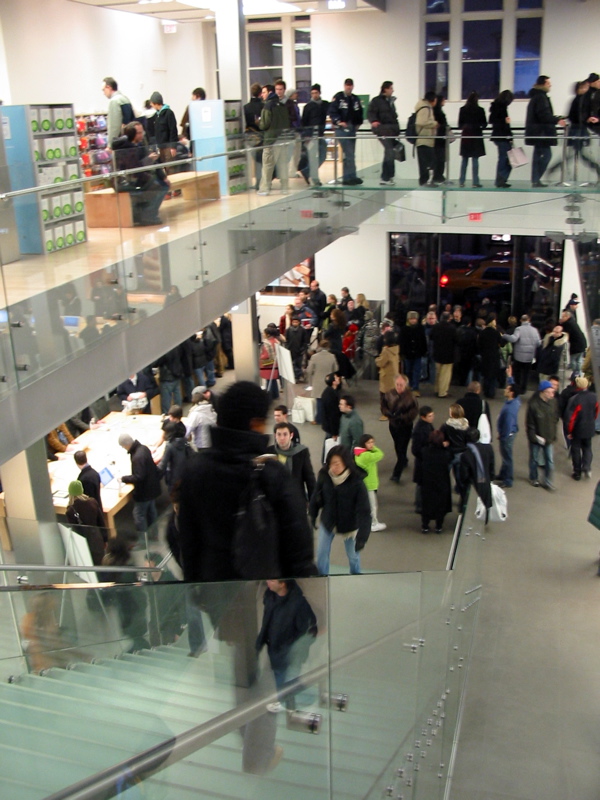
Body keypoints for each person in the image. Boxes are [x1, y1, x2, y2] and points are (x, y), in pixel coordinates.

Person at [178, 381, 317, 582]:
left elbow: (188, 542)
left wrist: (194, 587)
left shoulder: (194, 470)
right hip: (265, 588)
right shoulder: (273, 474)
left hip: (215, 587)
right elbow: (298, 547)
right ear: (255, 423)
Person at [256, 579, 317, 713]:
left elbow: (310, 630)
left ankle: (290, 707)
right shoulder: (270, 596)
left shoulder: (299, 604)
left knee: (287, 680)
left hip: (289, 654)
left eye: (272, 580)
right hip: (275, 650)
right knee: (281, 678)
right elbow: (267, 621)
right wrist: (260, 642)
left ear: (282, 584)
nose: (268, 582)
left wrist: (293, 650)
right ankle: (287, 703)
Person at [310, 445, 371, 575]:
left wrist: (362, 538)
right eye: (331, 463)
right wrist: (313, 515)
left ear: (346, 463)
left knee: (353, 556)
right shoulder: (324, 476)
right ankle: (322, 579)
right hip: (328, 521)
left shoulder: (357, 483)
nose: (333, 467)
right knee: (321, 554)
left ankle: (356, 575)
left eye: (337, 463)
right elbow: (316, 495)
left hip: (349, 525)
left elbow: (364, 511)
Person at [111, 121, 169, 226]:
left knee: (162, 183)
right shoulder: (125, 148)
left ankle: (145, 214)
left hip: (136, 178)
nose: (142, 135)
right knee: (159, 186)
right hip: (125, 182)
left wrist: (163, 177)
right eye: (139, 133)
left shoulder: (139, 145)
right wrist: (148, 160)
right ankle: (148, 215)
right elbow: (133, 169)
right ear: (132, 134)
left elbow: (151, 164)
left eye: (142, 132)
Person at [525, 75, 567, 187]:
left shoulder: (536, 97)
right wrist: (557, 120)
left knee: (538, 156)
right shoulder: (541, 97)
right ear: (543, 84)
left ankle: (535, 180)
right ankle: (536, 179)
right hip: (541, 133)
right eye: (548, 83)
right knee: (546, 155)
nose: (550, 85)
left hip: (536, 132)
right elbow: (544, 115)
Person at [118, 433, 162, 535]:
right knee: (152, 511)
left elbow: (139, 476)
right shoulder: (143, 448)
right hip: (153, 487)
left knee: (139, 514)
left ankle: (143, 539)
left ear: (125, 445)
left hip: (144, 492)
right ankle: (154, 534)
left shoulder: (137, 457)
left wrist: (124, 478)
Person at [381, 374, 419, 483]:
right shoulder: (389, 394)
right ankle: (403, 459)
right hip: (393, 426)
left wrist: (401, 417)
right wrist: (388, 413)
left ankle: (397, 473)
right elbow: (383, 406)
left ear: (406, 385)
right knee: (397, 445)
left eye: (401, 385)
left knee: (401, 448)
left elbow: (413, 412)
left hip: (405, 426)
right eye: (397, 384)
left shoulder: (411, 397)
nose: (399, 387)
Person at [267, 422, 316, 502]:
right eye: (279, 434)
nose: (282, 438)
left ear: (291, 435)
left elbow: (309, 477)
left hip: (295, 497)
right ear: (275, 436)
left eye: (285, 434)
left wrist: (312, 501)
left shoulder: (301, 452)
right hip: (276, 499)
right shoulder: (269, 452)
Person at [258, 80, 291, 196]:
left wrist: (259, 122)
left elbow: (265, 124)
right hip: (283, 140)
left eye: (264, 92)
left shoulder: (268, 106)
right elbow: (287, 123)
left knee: (267, 166)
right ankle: (285, 187)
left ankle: (264, 189)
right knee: (283, 165)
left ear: (269, 92)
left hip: (270, 141)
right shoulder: (282, 106)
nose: (262, 95)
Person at [328, 78, 364, 186]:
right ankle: (349, 177)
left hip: (352, 129)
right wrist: (339, 122)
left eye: (351, 85)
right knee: (348, 153)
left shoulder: (355, 99)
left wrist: (358, 124)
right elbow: (332, 111)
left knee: (350, 153)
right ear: (344, 86)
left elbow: (360, 112)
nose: (349, 87)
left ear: (353, 86)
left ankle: (350, 176)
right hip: (341, 130)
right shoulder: (338, 97)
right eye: (347, 85)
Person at [526, 379, 558, 490]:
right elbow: (530, 424)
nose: (552, 394)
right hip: (537, 438)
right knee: (534, 459)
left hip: (549, 438)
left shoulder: (553, 402)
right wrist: (534, 437)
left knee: (550, 460)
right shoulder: (533, 405)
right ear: (542, 392)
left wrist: (553, 435)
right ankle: (533, 478)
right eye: (549, 392)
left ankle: (548, 482)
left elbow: (555, 419)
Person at [65, 480, 106, 565]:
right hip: (96, 537)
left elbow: (74, 530)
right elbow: (101, 522)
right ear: (81, 490)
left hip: (83, 542)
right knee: (100, 562)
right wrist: (105, 539)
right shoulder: (92, 502)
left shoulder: (70, 510)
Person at [368, 80, 401, 186]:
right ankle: (386, 177)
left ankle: (388, 176)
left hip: (390, 130)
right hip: (383, 130)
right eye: (391, 88)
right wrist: (374, 121)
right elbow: (371, 112)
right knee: (389, 151)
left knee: (390, 152)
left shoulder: (390, 102)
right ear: (385, 89)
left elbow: (393, 116)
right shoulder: (377, 101)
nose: (393, 90)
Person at [565, 376, 598, 480]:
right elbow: (596, 412)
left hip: (578, 429)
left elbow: (572, 418)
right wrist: (592, 420)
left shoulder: (576, 399)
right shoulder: (594, 397)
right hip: (590, 427)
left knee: (576, 449)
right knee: (587, 448)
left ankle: (577, 472)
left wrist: (569, 431)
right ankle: (587, 467)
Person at [420, 430, 452, 533]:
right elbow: (449, 458)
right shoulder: (445, 454)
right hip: (441, 482)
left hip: (427, 482)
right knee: (441, 504)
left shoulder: (425, 452)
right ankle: (439, 526)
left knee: (427, 503)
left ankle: (425, 525)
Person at [501, 314, 541, 395]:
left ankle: (517, 388)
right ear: (529, 320)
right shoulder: (534, 330)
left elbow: (513, 339)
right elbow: (538, 343)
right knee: (526, 374)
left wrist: (504, 335)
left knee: (517, 373)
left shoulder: (519, 329)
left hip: (518, 356)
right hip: (529, 357)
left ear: (521, 320)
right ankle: (523, 389)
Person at [354, 433, 386, 532]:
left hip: (363, 483)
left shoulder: (358, 453)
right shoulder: (367, 455)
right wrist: (374, 448)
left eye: (373, 442)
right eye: (369, 442)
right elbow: (380, 454)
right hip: (370, 484)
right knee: (372, 505)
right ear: (364, 444)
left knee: (363, 504)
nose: (371, 444)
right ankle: (373, 523)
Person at [460, 428, 495, 510]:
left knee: (471, 506)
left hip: (473, 485)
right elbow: (491, 465)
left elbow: (464, 474)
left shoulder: (466, 455)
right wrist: (491, 477)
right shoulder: (488, 448)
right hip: (485, 481)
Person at [301, 84, 328, 187]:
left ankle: (307, 171)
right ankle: (315, 179)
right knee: (312, 157)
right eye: (312, 93)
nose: (314, 95)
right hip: (310, 136)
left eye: (316, 93)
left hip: (320, 134)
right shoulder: (308, 107)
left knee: (322, 155)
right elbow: (304, 122)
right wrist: (305, 136)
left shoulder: (324, 104)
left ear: (319, 93)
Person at [458, 91, 487, 188]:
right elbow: (484, 124)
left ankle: (462, 181)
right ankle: (475, 181)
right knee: (475, 159)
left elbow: (460, 125)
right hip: (476, 136)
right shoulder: (480, 110)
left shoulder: (462, 109)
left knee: (464, 160)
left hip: (466, 135)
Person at [306, 339, 338, 422]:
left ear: (319, 346)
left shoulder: (314, 357)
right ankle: (328, 417)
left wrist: (311, 377)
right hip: (329, 382)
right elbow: (336, 368)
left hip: (318, 382)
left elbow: (309, 370)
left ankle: (319, 419)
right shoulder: (332, 356)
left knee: (319, 401)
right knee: (328, 401)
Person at [496, 382, 521, 488]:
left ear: (511, 393)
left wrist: (502, 435)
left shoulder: (509, 409)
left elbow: (507, 425)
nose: (505, 390)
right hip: (511, 433)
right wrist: (510, 377)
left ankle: (508, 480)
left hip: (507, 436)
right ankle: (503, 475)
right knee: (505, 456)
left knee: (507, 457)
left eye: (507, 389)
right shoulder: (515, 401)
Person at [411, 405, 435, 514]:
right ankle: (419, 505)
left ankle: (419, 502)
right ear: (423, 417)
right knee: (421, 484)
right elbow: (415, 449)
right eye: (429, 416)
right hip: (423, 461)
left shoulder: (427, 425)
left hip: (424, 460)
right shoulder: (419, 430)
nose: (432, 417)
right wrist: (426, 455)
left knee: (422, 483)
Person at [489, 89, 514, 188]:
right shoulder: (502, 108)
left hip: (498, 136)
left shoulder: (495, 107)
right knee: (505, 159)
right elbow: (503, 124)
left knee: (503, 159)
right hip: (503, 137)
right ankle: (501, 179)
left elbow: (491, 121)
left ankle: (500, 179)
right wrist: (505, 122)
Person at [430, 311, 457, 398]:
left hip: (437, 353)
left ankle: (436, 389)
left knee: (437, 373)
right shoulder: (452, 328)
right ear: (449, 318)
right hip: (448, 354)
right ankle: (443, 392)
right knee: (445, 375)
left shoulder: (436, 327)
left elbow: (431, 337)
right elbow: (456, 340)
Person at [400, 311, 427, 396]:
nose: (413, 320)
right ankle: (408, 386)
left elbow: (423, 341)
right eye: (411, 318)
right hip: (407, 354)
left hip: (417, 354)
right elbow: (401, 342)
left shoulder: (420, 328)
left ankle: (415, 388)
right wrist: (402, 353)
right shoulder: (404, 329)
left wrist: (423, 351)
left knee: (417, 371)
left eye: (414, 318)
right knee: (408, 371)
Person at [158, 420, 190, 491]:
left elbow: (163, 465)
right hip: (185, 474)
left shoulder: (170, 446)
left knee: (174, 495)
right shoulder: (185, 441)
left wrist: (154, 473)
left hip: (173, 477)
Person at [375, 330, 400, 419]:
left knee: (384, 397)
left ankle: (386, 413)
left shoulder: (386, 351)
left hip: (386, 377)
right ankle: (395, 411)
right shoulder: (396, 349)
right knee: (393, 395)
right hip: (394, 376)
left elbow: (380, 363)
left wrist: (377, 359)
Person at [415, 91, 438, 186]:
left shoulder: (425, 107)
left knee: (425, 162)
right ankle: (426, 181)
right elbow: (420, 122)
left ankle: (426, 180)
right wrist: (434, 124)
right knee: (429, 162)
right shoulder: (425, 108)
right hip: (424, 139)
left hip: (424, 140)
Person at [102, 76, 134, 145]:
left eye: (103, 90)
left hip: (120, 142)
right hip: (130, 139)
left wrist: (110, 145)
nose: (103, 93)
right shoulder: (125, 98)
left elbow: (114, 126)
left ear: (109, 87)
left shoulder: (114, 101)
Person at [477, 313, 501, 400]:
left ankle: (486, 391)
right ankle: (491, 392)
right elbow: (501, 343)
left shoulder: (482, 333)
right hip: (494, 356)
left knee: (486, 375)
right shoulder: (496, 333)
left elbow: (479, 345)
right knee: (493, 376)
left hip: (485, 357)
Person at [244, 82, 264, 190]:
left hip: (251, 136)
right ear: (260, 93)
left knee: (255, 160)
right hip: (263, 136)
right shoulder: (264, 106)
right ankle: (262, 181)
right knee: (263, 160)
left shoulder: (246, 107)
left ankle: (257, 182)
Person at [149, 91, 178, 164]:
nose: (151, 105)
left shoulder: (169, 113)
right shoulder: (156, 115)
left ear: (155, 103)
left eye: (152, 103)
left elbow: (173, 130)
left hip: (168, 147)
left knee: (170, 167)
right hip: (160, 146)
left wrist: (173, 146)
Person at [186, 385, 217, 449]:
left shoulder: (195, 414)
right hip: (213, 442)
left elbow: (187, 431)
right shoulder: (212, 410)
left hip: (202, 445)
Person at [259, 326, 281, 400]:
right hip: (275, 363)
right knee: (273, 380)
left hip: (268, 364)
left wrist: (260, 357)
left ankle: (270, 397)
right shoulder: (276, 341)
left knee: (269, 381)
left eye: (264, 333)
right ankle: (276, 395)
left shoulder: (266, 343)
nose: (263, 334)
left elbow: (265, 355)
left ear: (268, 334)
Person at [321, 373, 342, 445]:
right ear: (333, 382)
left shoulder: (330, 391)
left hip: (329, 426)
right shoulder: (330, 395)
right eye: (336, 378)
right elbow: (332, 415)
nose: (338, 378)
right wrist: (334, 432)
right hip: (331, 427)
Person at [432, 95, 449, 185]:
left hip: (440, 138)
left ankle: (438, 175)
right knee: (440, 158)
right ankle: (438, 176)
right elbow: (440, 124)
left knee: (440, 158)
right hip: (439, 138)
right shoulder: (437, 111)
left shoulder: (436, 111)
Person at [286, 315, 308, 380]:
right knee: (292, 364)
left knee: (298, 364)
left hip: (299, 350)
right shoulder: (288, 330)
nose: (295, 323)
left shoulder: (302, 330)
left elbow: (305, 341)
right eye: (294, 322)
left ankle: (298, 376)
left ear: (299, 322)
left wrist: (303, 349)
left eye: (296, 322)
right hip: (291, 349)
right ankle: (297, 375)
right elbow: (286, 340)